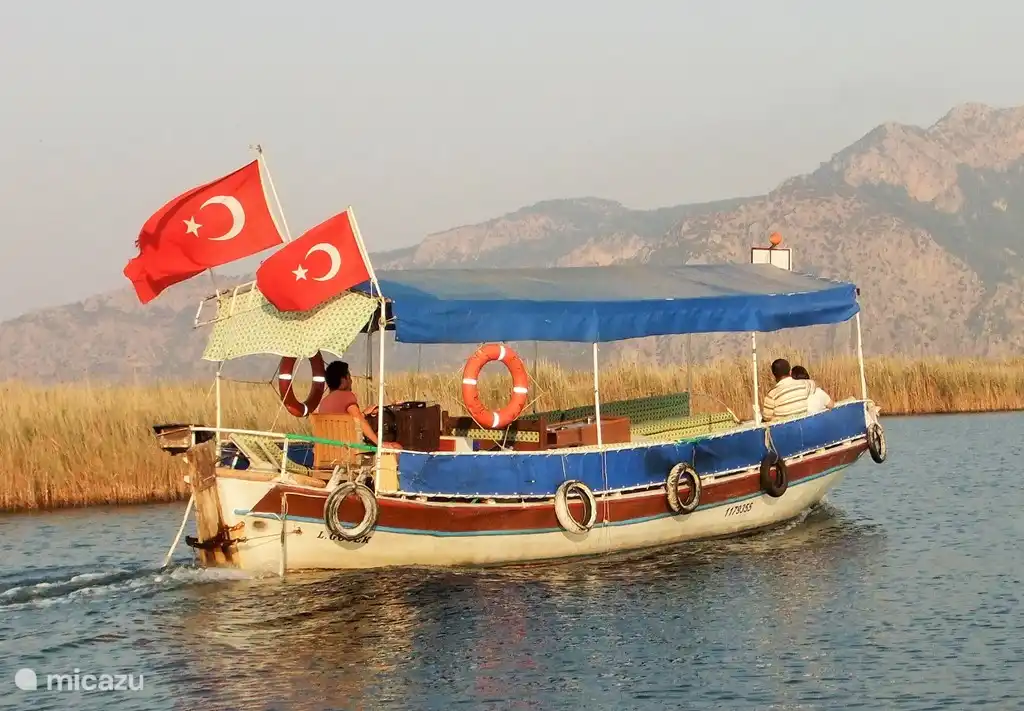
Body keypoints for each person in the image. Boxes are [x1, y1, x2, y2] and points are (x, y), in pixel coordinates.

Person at [316, 360, 401, 449]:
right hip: (348, 451)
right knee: (396, 447)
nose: (351, 381)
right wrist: (379, 444)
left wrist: (364, 414)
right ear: (343, 380)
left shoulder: (323, 403)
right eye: (349, 377)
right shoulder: (346, 396)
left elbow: (349, 420)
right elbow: (359, 420)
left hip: (328, 452)